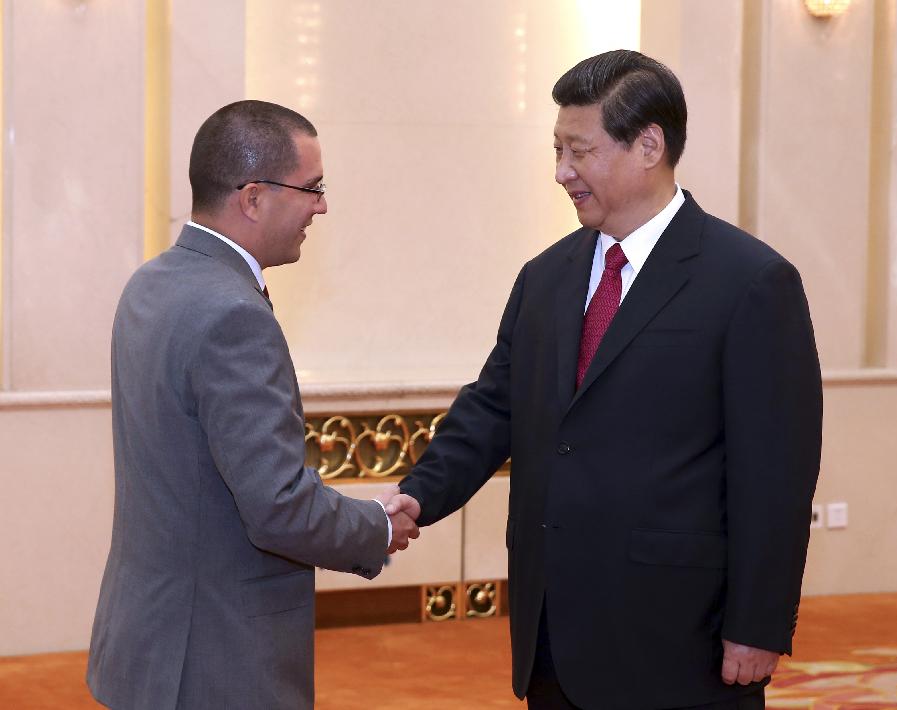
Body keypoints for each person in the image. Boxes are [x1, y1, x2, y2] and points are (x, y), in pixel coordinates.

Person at [387, 50, 821, 709]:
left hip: (680, 639)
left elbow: (775, 475)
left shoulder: (750, 282)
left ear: (648, 145)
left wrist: (757, 626)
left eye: (579, 151)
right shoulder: (545, 276)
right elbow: (492, 408)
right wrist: (416, 497)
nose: (562, 172)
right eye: (557, 150)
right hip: (554, 634)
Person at [87, 100, 418, 710]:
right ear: (255, 196)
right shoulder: (232, 312)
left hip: (146, 647)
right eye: (313, 188)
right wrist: (376, 526)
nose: (321, 206)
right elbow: (277, 508)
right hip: (216, 661)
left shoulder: (152, 282)